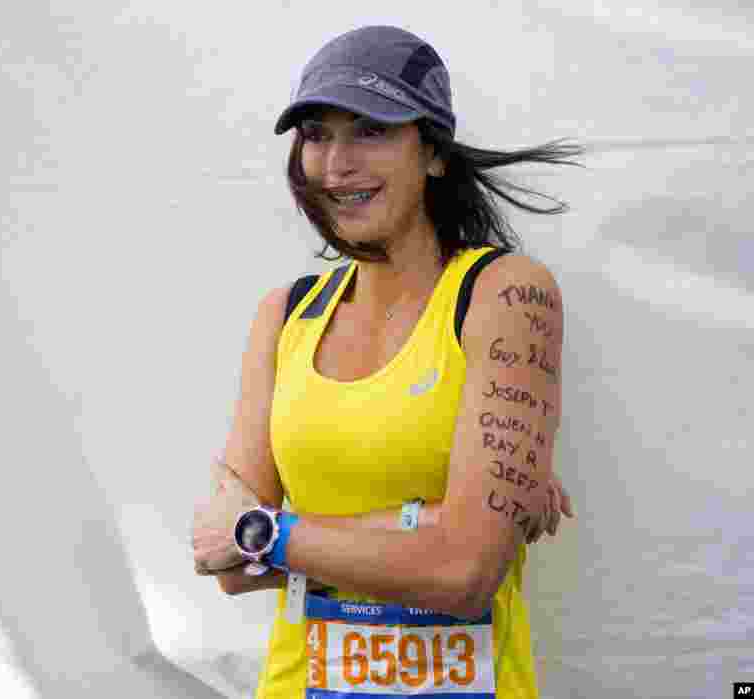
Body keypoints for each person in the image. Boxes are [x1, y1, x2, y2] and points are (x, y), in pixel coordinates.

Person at [192, 25, 581, 699]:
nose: (335, 163)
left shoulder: (506, 294)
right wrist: (425, 525)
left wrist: (267, 532)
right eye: (316, 133)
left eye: (370, 129)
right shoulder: (285, 315)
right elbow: (225, 562)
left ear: (432, 151)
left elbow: (464, 573)